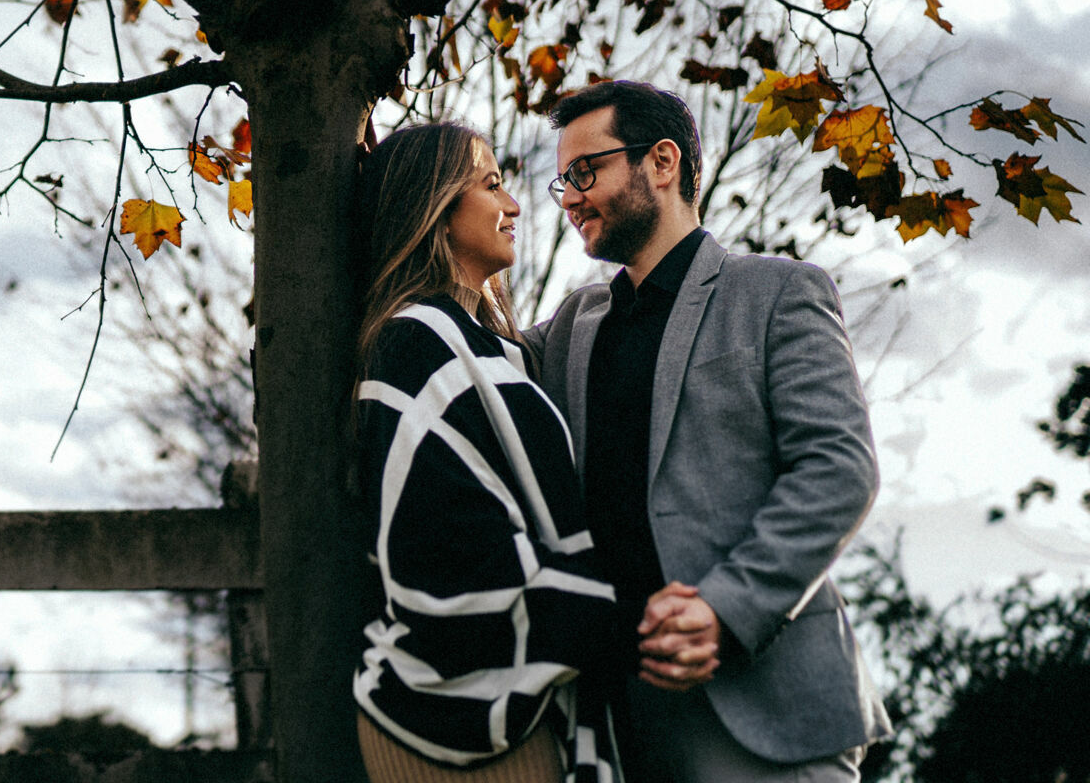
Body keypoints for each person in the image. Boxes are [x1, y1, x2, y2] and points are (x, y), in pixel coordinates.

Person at [521, 81, 891, 782]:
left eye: (584, 172)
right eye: (560, 181)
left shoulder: (779, 290)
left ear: (661, 162)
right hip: (616, 729)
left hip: (765, 718)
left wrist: (724, 609)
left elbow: (839, 471)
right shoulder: (569, 327)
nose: (568, 197)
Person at [353, 122, 622, 783]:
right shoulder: (413, 343)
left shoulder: (497, 351)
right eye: (491, 184)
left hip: (526, 702)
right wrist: (600, 611)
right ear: (433, 206)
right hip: (451, 718)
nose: (515, 206)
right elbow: (441, 547)